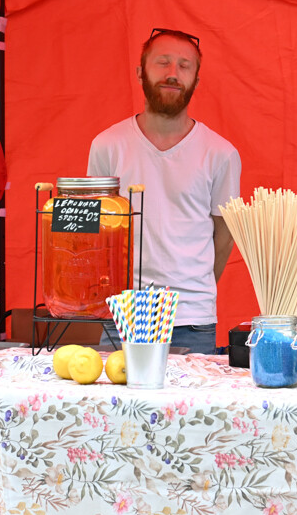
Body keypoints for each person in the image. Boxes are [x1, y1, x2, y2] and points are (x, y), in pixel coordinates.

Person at [88, 28, 241, 354]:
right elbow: (98, 232)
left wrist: (193, 288)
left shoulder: (220, 153)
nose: (173, 73)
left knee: (191, 392)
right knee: (113, 390)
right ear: (140, 72)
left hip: (192, 320)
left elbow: (225, 235)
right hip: (120, 312)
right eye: (163, 62)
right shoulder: (107, 146)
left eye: (184, 66)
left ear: (196, 80)